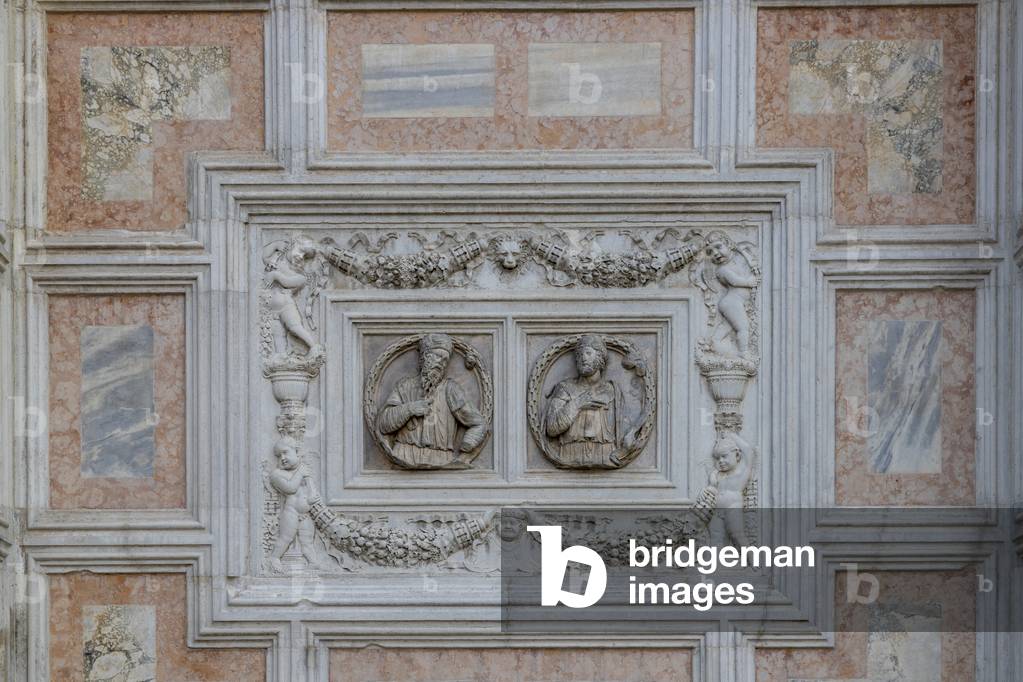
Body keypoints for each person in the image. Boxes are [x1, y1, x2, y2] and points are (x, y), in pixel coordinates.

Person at [376, 333, 487, 468]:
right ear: (424, 357)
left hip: (440, 458)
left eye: (445, 360)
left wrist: (468, 443)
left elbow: (478, 423)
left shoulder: (450, 390)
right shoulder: (404, 386)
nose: (441, 363)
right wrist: (409, 409)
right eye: (437, 356)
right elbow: (383, 424)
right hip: (404, 454)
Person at [544, 335, 625, 467]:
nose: (582, 358)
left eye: (588, 353)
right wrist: (577, 404)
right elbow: (551, 428)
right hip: (570, 454)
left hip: (605, 455)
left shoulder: (612, 390)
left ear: (600, 357)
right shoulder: (565, 388)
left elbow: (620, 433)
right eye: (579, 354)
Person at [268, 436, 326, 572]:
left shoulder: (304, 471)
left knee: (307, 541)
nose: (282, 458)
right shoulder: (277, 474)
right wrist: (300, 473)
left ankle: (313, 562)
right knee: (286, 537)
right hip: (291, 512)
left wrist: (312, 499)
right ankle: (274, 558)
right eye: (278, 455)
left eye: (285, 452)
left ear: (297, 451)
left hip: (305, 514)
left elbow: (312, 491)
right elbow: (290, 488)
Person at [707, 431, 755, 547]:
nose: (721, 461)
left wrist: (731, 435)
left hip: (732, 508)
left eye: (724, 456)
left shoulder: (741, 472)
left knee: (737, 534)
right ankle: (715, 562)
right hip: (717, 510)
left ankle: (754, 562)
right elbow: (712, 489)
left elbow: (748, 451)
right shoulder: (718, 474)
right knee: (715, 535)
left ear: (737, 455)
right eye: (718, 459)